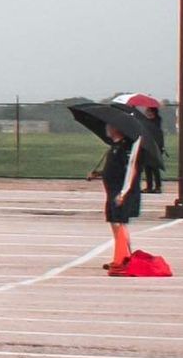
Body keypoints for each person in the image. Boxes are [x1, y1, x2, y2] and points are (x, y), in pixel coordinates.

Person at [68, 92, 170, 277]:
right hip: (112, 190)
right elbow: (112, 169)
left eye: (110, 126)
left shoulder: (127, 148)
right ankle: (122, 256)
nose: (107, 128)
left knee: (119, 224)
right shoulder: (115, 146)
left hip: (122, 191)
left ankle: (122, 259)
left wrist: (124, 192)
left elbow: (131, 171)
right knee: (115, 224)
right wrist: (99, 174)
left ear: (118, 128)